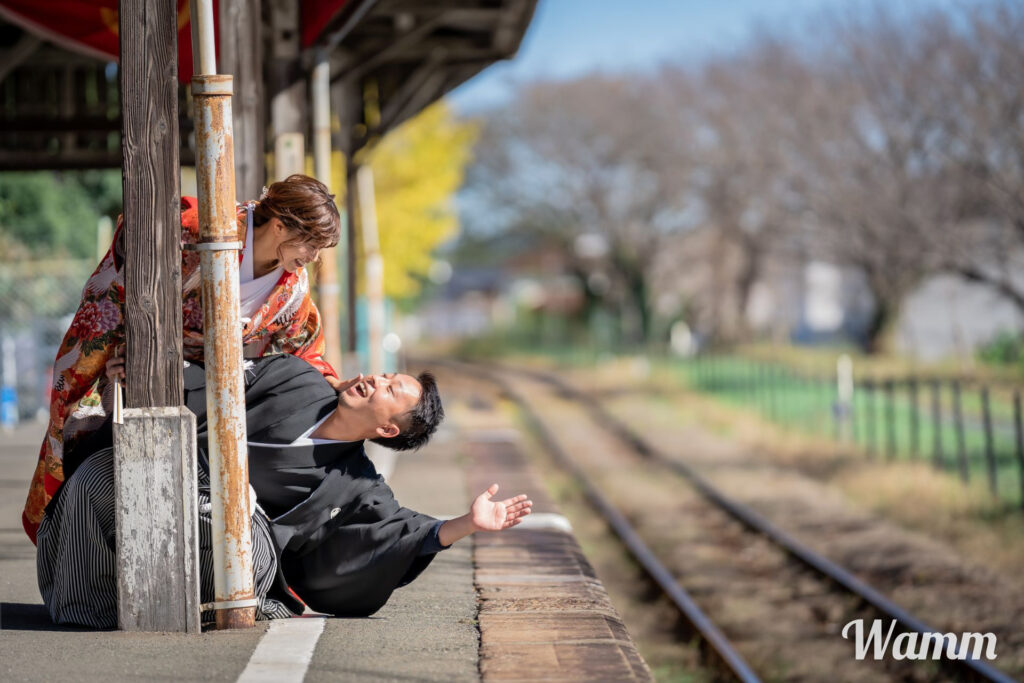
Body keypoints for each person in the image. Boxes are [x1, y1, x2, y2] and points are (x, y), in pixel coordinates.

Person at [36, 355, 532, 626]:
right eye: (384, 374)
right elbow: (215, 377)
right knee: (104, 473)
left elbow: (396, 535)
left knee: (246, 544)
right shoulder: (297, 379)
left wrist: (465, 525)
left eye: (390, 389)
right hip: (174, 472)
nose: (374, 379)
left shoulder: (359, 486)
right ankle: (82, 606)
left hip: (226, 533)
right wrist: (151, 372)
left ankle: (155, 610)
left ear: (387, 431)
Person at [23, 175, 345, 544]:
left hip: (196, 382)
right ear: (279, 225)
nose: (314, 257)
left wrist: (334, 385)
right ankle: (69, 538)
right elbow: (135, 261)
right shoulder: (199, 227)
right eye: (312, 244)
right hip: (133, 354)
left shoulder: (292, 285)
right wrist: (132, 349)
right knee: (80, 430)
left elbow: (304, 347)